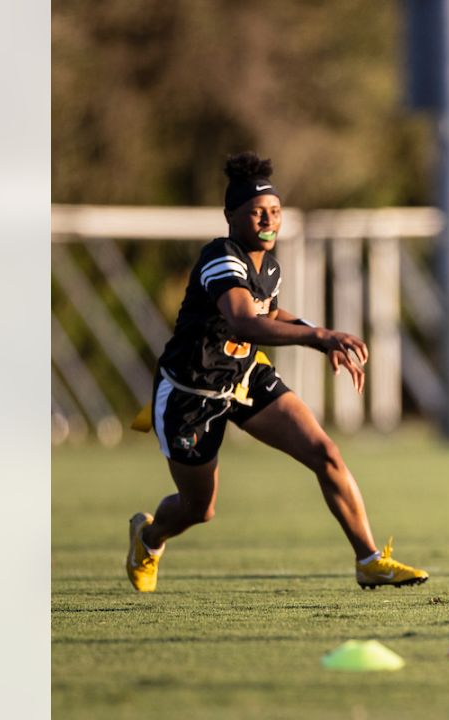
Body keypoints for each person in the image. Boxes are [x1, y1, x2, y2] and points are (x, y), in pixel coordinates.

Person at [125, 152, 428, 593]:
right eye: (257, 212)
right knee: (198, 509)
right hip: (191, 395)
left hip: (245, 377)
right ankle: (148, 538)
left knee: (326, 454)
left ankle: (368, 560)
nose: (269, 221)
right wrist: (317, 337)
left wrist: (316, 331)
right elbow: (243, 321)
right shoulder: (221, 257)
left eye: (276, 212)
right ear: (231, 216)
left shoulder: (268, 265)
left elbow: (268, 310)